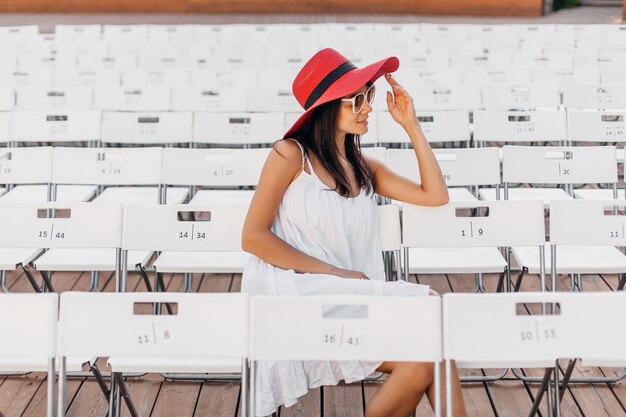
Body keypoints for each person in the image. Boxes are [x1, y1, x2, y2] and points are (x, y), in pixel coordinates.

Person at [241, 48, 467, 417]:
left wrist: (411, 124)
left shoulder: (365, 169)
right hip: (303, 298)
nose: (368, 108)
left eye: (370, 96)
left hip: (351, 299)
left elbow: (436, 195)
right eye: (358, 99)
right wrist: (334, 273)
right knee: (430, 309)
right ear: (328, 106)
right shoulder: (290, 156)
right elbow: (253, 237)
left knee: (428, 352)